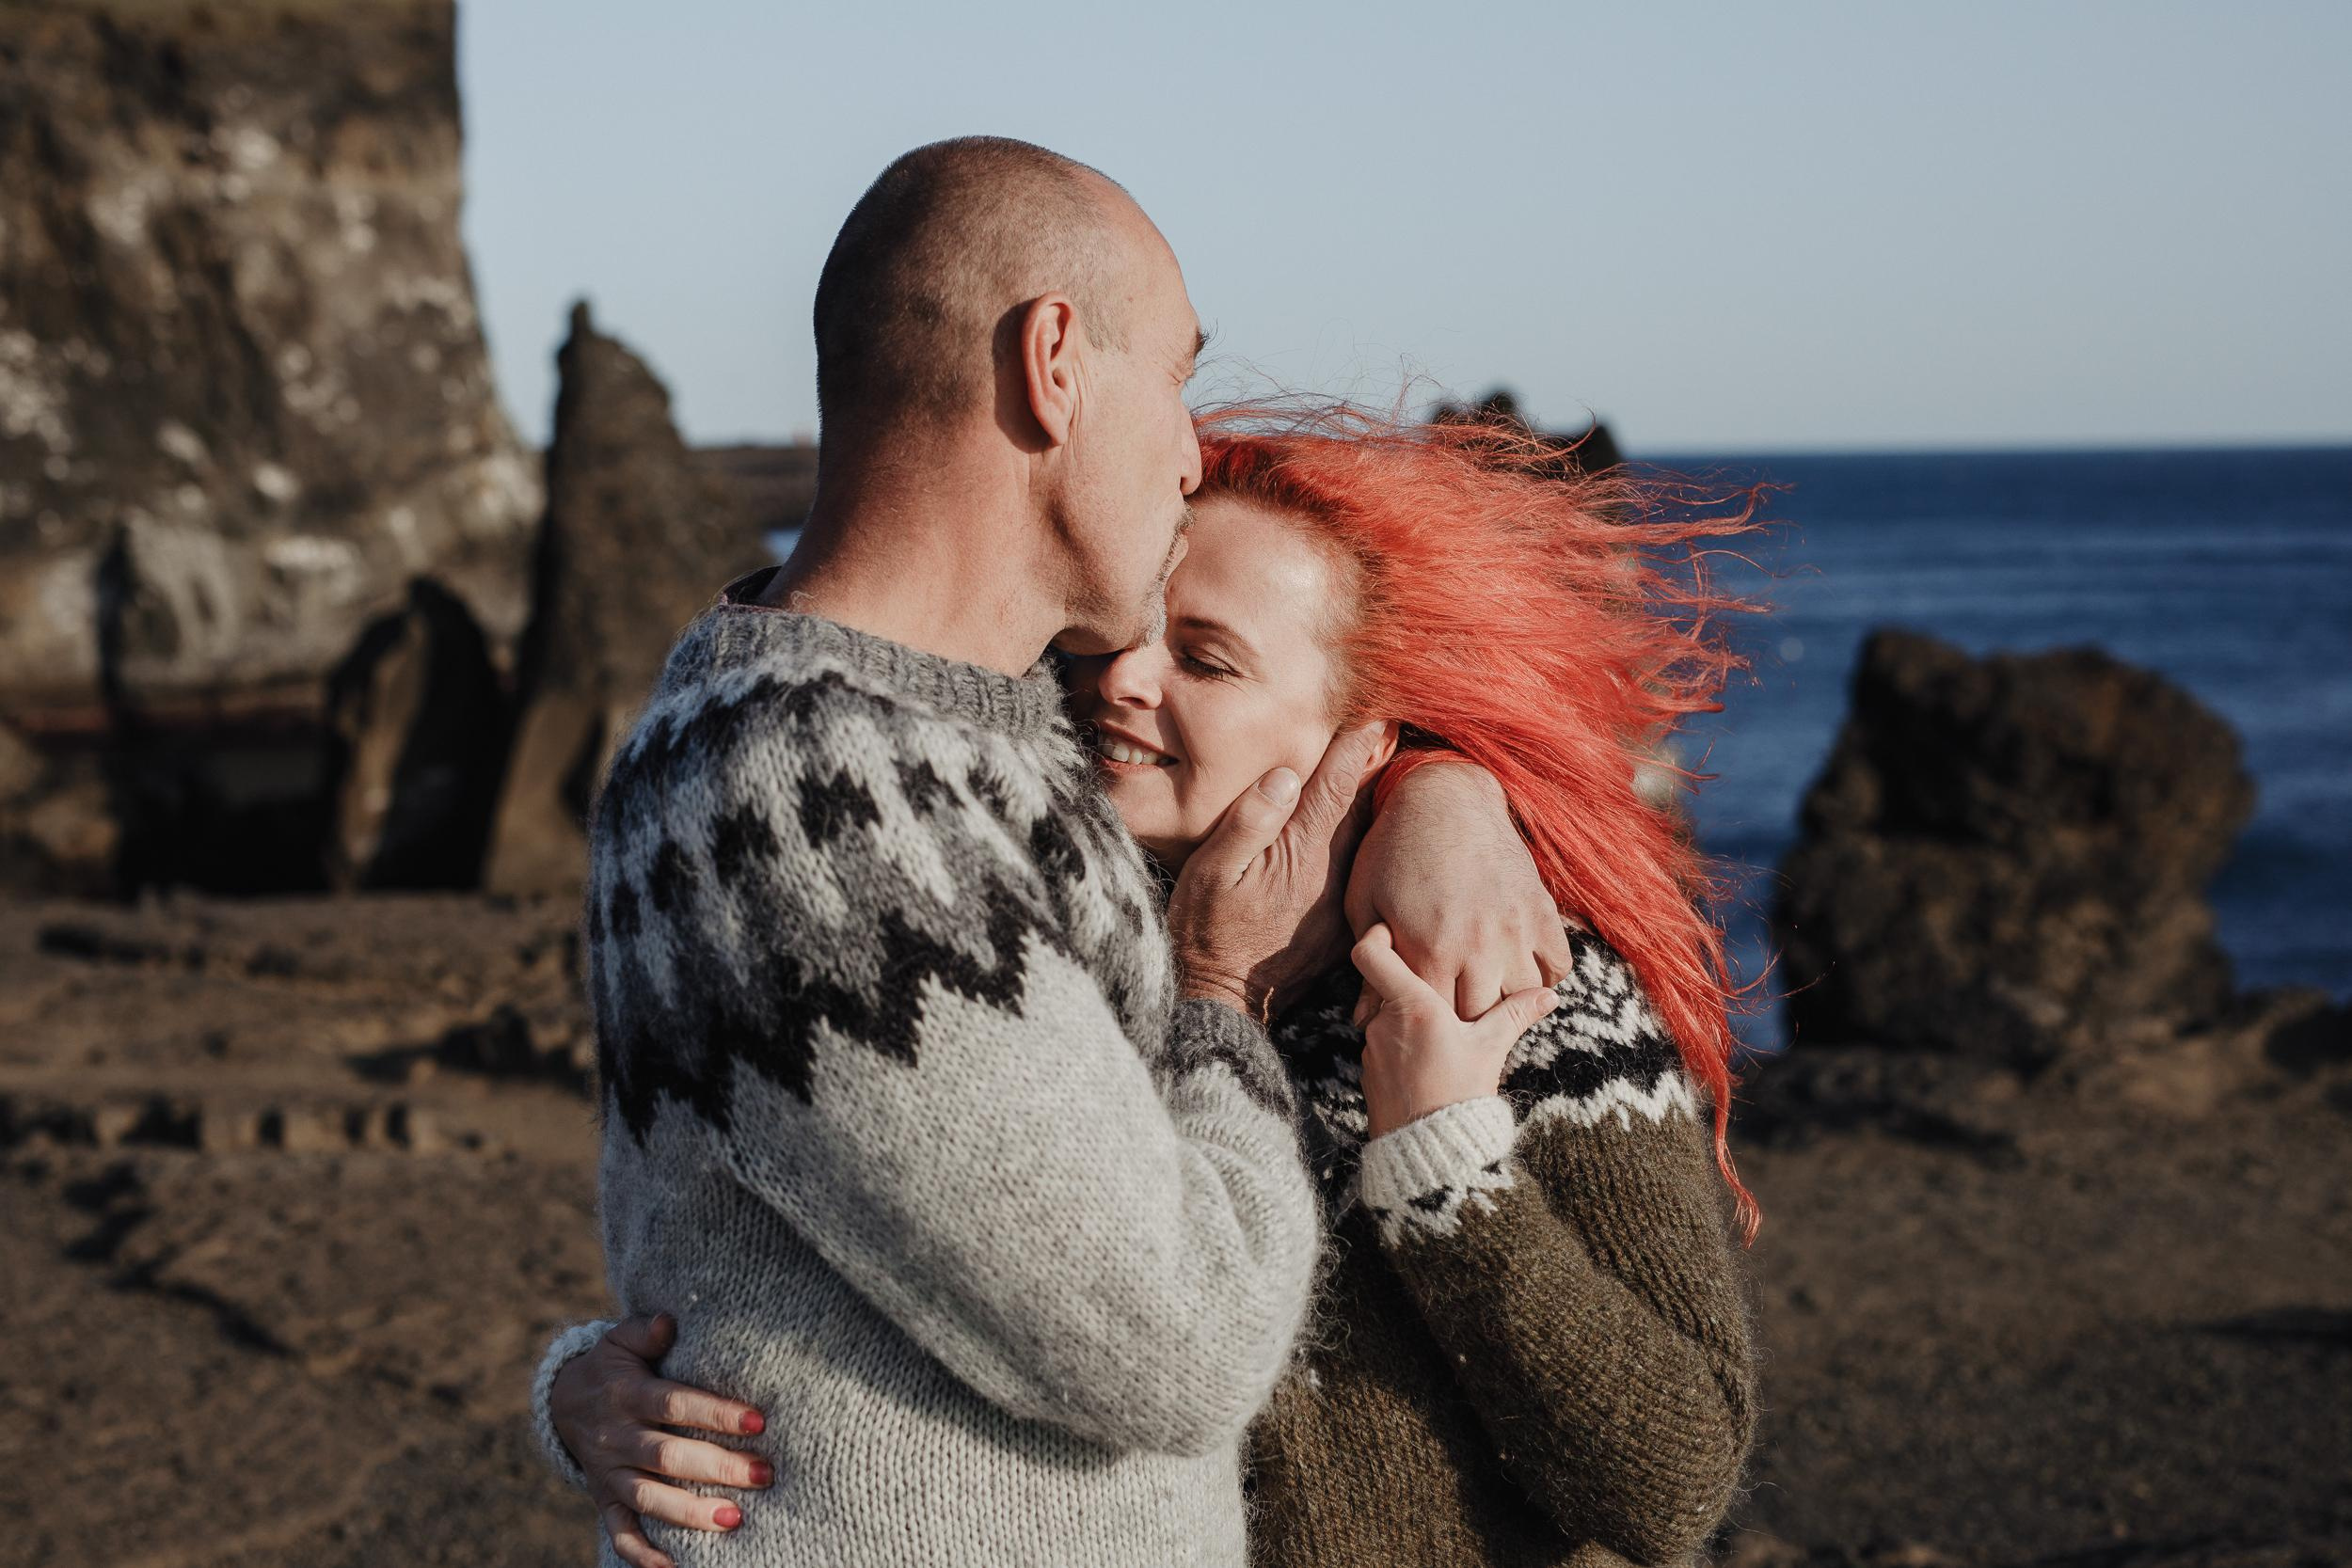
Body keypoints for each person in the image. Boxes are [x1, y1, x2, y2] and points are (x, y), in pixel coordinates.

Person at [529, 138, 1574, 1568]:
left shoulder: (960, 731)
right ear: (1055, 364)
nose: (1197, 450)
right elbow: (1177, 1344)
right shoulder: (810, 792)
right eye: (1179, 379)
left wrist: (1452, 789)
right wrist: (1223, 990)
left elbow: (1235, 757)